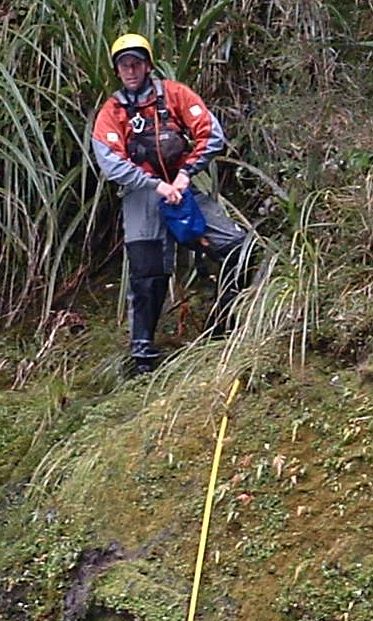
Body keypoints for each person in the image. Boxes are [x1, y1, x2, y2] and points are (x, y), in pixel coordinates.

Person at [88, 32, 252, 375]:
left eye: (136, 63)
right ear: (117, 70)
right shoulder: (113, 111)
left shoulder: (175, 94)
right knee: (146, 271)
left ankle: (226, 318)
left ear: (147, 65)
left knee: (238, 247)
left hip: (184, 187)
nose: (130, 71)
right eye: (124, 65)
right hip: (142, 194)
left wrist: (185, 175)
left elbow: (211, 133)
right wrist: (154, 185)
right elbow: (110, 160)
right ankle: (143, 353)